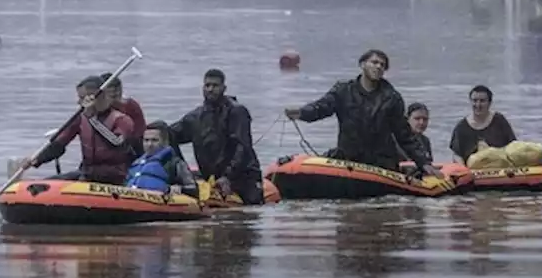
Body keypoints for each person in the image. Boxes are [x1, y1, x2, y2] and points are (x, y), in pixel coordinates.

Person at [285, 49, 441, 178]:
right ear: (362, 64)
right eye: (374, 62)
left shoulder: (392, 98)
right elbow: (321, 108)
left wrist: (424, 162)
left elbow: (404, 134)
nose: (378, 67)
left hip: (380, 163)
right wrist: (300, 113)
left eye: (382, 65)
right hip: (348, 159)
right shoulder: (343, 90)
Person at [170, 68, 265, 204]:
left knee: (250, 211)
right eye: (207, 85)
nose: (210, 89)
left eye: (215, 86)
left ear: (224, 88)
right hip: (211, 178)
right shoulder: (195, 117)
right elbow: (168, 135)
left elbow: (243, 147)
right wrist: (183, 172)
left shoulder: (237, 112)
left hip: (244, 177)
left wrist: (228, 177)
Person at [22, 75, 137, 184]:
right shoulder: (81, 118)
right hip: (87, 173)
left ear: (96, 97)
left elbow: (117, 142)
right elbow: (60, 143)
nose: (78, 102)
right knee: (49, 182)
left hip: (113, 176)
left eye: (82, 98)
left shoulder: (122, 120)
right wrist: (37, 159)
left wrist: (92, 119)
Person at [125, 121, 200, 199]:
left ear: (165, 142)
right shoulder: (136, 163)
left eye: (155, 140)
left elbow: (194, 189)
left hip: (159, 204)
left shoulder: (174, 163)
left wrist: (180, 189)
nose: (150, 144)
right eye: (146, 140)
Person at [448, 85, 517, 163]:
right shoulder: (461, 127)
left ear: (490, 103)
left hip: (501, 168)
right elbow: (457, 155)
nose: (478, 105)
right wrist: (463, 170)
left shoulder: (499, 121)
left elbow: (513, 146)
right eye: (475, 100)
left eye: (482, 101)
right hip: (472, 171)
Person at [102, 72, 147, 156]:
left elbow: (140, 132)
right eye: (111, 96)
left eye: (118, 94)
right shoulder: (94, 110)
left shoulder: (131, 106)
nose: (116, 98)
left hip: (129, 147)